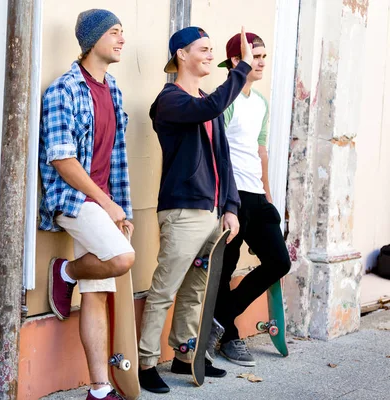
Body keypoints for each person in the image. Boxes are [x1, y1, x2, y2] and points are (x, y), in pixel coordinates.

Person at [137, 26, 253, 393]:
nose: (208, 55)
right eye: (203, 49)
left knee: (195, 291)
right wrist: (242, 68)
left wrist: (231, 207)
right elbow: (209, 106)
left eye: (211, 49)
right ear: (181, 55)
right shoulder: (170, 101)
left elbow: (225, 160)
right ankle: (144, 362)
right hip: (183, 210)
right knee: (165, 289)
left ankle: (186, 354)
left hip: (212, 211)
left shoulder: (206, 101)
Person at [38, 9, 134, 400]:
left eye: (122, 32)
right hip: (75, 199)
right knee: (122, 259)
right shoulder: (64, 90)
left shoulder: (113, 90)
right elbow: (62, 160)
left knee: (96, 292)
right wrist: (107, 204)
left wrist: (121, 209)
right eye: (114, 32)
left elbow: (115, 158)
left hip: (104, 202)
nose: (122, 39)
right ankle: (65, 271)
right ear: (92, 40)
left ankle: (98, 389)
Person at [213, 32, 291, 367]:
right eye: (254, 56)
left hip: (257, 197)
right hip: (232, 197)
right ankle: (229, 336)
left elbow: (260, 151)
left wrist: (270, 199)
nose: (260, 62)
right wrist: (225, 203)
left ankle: (222, 320)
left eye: (263, 56)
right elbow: (219, 155)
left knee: (279, 261)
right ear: (236, 61)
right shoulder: (225, 101)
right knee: (224, 269)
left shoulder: (260, 102)